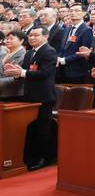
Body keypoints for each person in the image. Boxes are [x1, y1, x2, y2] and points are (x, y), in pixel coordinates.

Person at [3, 27, 57, 169]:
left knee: (43, 128)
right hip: (29, 95)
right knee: (31, 128)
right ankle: (32, 156)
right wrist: (15, 73)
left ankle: (46, 158)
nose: (32, 38)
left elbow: (44, 73)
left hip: (44, 96)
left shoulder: (49, 51)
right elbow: (24, 73)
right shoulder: (29, 53)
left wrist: (21, 72)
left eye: (35, 35)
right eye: (30, 35)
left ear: (45, 36)